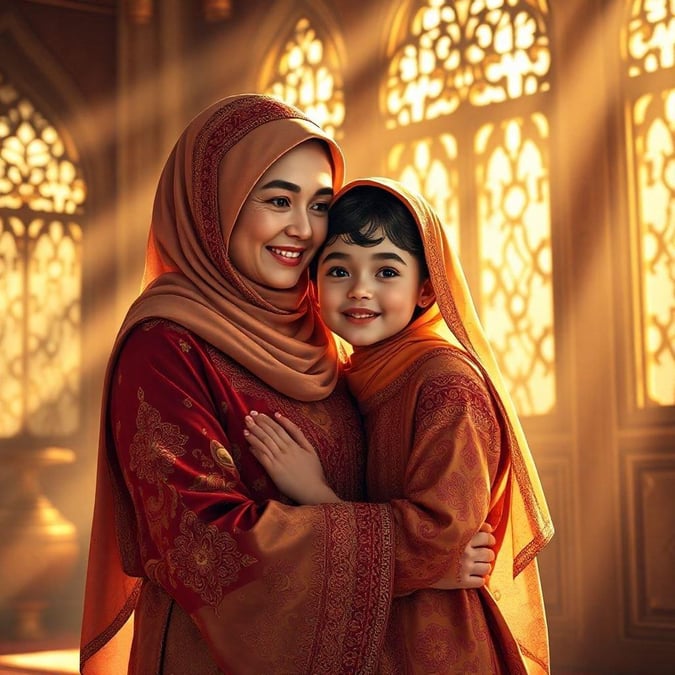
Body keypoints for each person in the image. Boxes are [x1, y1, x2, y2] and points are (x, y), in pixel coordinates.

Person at [79, 95, 495, 675]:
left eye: (320, 204)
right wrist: (417, 561)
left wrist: (418, 550)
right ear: (213, 207)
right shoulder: (164, 347)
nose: (303, 230)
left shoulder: (327, 335)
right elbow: (206, 548)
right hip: (214, 654)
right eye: (278, 201)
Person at [245, 177, 555, 674]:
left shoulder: (446, 386)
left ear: (426, 287)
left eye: (386, 270)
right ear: (313, 284)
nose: (360, 290)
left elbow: (441, 536)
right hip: (368, 631)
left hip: (437, 642)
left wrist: (314, 493)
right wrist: (434, 566)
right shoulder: (345, 378)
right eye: (339, 269)